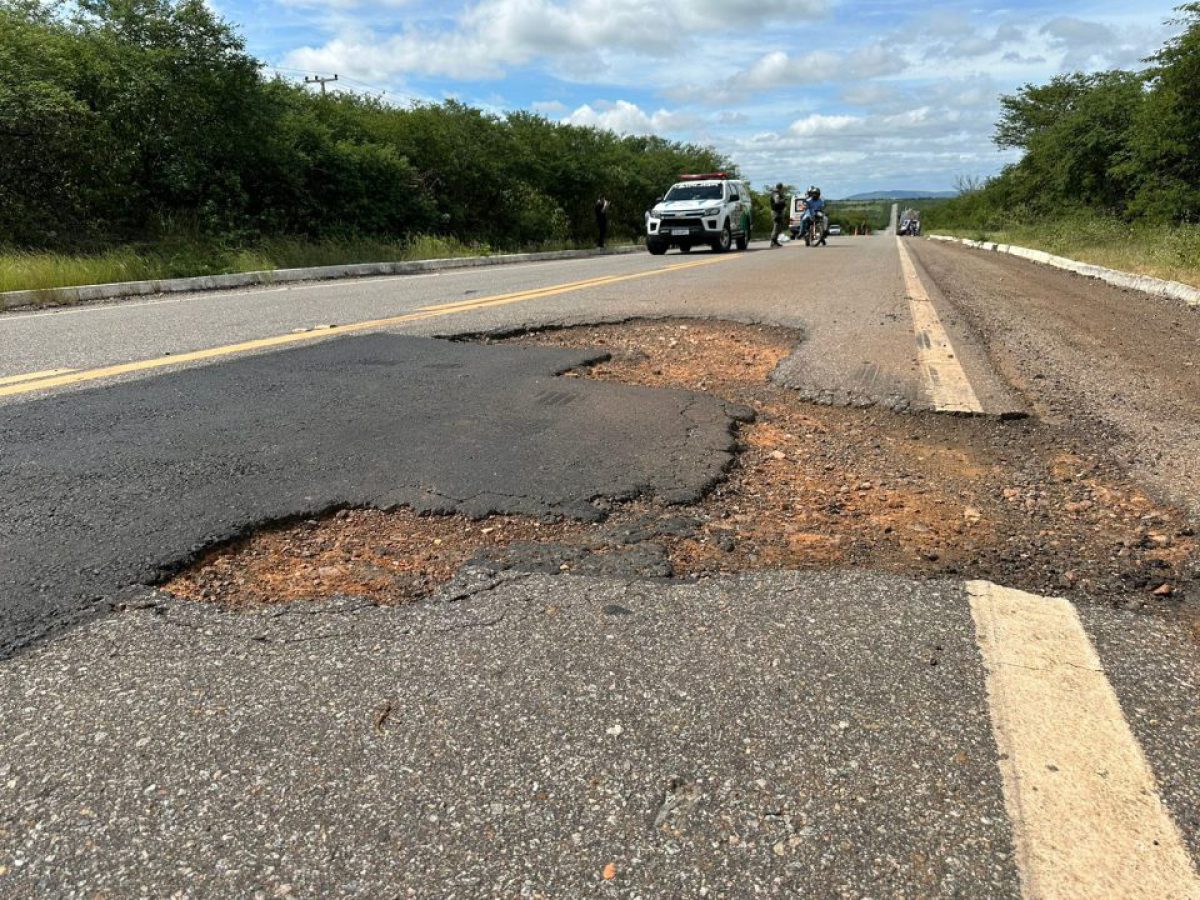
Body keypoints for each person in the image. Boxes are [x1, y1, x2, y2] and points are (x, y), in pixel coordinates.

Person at [769, 183, 787, 247]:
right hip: (776, 212)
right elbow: (777, 202)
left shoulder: (778, 193)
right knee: (776, 226)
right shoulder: (776, 194)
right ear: (780, 188)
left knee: (779, 227)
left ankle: (775, 240)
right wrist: (783, 201)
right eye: (782, 188)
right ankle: (773, 241)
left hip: (779, 211)